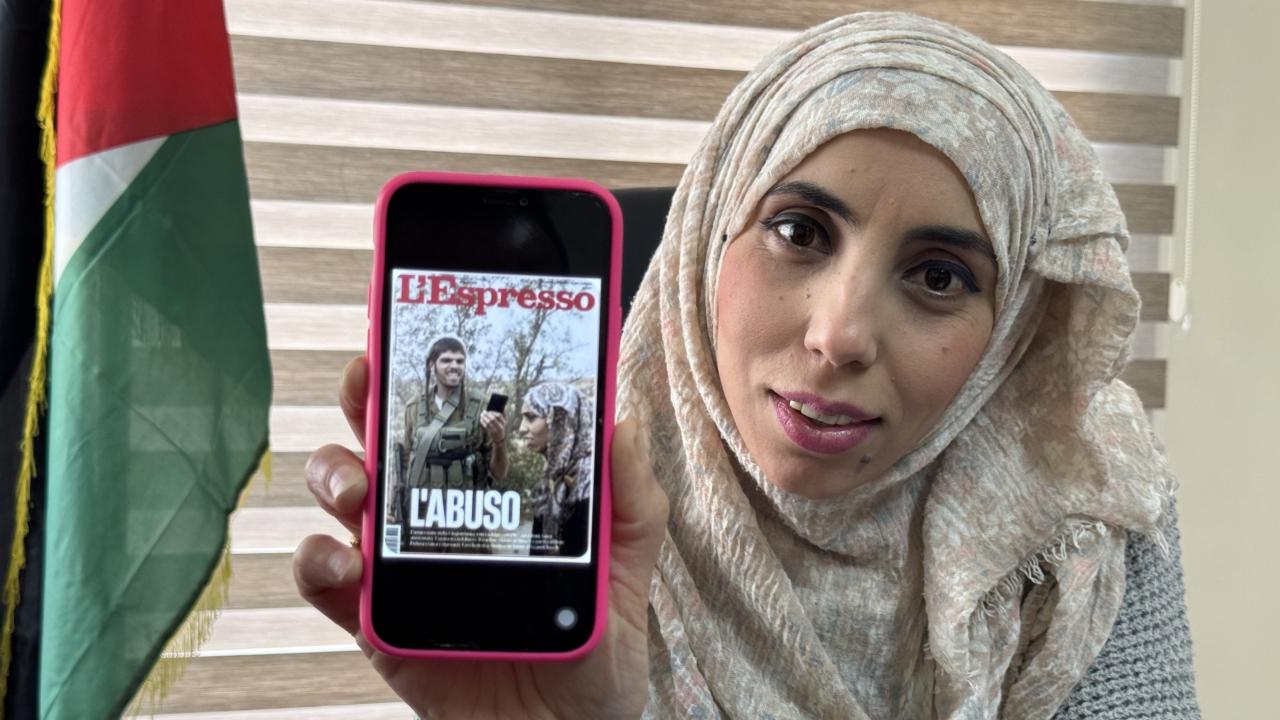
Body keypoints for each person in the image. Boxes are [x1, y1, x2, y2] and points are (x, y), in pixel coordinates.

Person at [296, 12, 1199, 718]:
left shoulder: (1080, 525)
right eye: (799, 231)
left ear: (1012, 332)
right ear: (704, 238)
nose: (840, 336)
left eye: (938, 276)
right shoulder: (583, 504)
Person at [393, 337, 508, 530]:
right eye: (446, 360)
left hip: (467, 522)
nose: (454, 366)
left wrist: (499, 439)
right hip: (423, 520)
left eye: (459, 361)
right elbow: (405, 464)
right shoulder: (414, 407)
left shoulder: (481, 406)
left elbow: (499, 473)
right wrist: (395, 507)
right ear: (432, 365)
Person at [518, 382, 594, 557]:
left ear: (561, 420)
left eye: (531, 417)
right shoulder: (551, 476)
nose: (521, 429)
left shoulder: (587, 484)